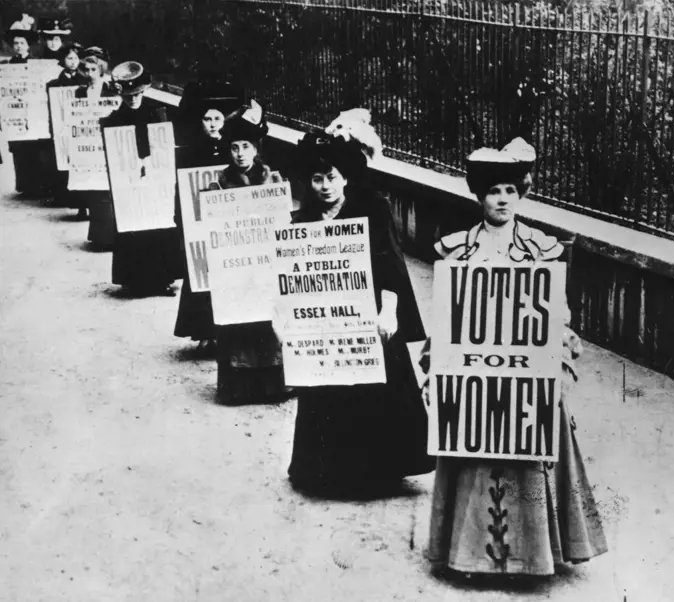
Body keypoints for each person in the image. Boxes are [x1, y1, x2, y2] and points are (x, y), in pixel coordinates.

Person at [421, 138, 607, 578]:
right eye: (492, 191)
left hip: (527, 376)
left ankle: (535, 555)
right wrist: (435, 368)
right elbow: (447, 318)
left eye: (509, 190)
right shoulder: (456, 249)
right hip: (475, 376)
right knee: (471, 447)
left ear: (522, 192)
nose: (501, 199)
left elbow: (557, 318)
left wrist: (561, 360)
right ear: (479, 196)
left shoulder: (542, 250)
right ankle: (467, 557)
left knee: (531, 447)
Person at [286, 124, 435, 492]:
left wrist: (388, 312)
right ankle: (329, 469)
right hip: (327, 322)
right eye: (317, 178)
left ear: (346, 177)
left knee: (379, 388)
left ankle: (381, 468)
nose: (324, 185)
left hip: (369, 315)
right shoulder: (302, 220)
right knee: (329, 389)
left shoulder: (373, 209)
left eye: (331, 177)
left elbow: (391, 265)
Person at [211, 101, 291, 404]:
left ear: (256, 148)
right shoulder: (219, 183)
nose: (240, 153)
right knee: (239, 325)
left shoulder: (272, 180)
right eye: (234, 147)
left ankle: (274, 386)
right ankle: (238, 387)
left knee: (268, 322)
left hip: (266, 265)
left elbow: (283, 221)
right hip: (236, 267)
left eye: (246, 146)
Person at [173, 80, 246, 353]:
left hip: (227, 220)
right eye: (208, 119)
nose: (213, 123)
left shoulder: (233, 150)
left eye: (217, 118)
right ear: (200, 121)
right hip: (200, 220)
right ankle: (204, 332)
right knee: (201, 271)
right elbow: (183, 186)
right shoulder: (191, 151)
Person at [101, 61, 181, 296]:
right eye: (127, 95)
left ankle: (162, 279)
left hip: (156, 178)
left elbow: (166, 146)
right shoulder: (114, 119)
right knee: (133, 225)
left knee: (159, 224)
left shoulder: (158, 114)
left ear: (144, 91)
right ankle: (135, 280)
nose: (132, 99)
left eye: (136, 94)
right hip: (130, 181)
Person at [73, 47, 117, 228]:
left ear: (101, 70)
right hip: (88, 139)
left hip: (105, 138)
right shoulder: (80, 92)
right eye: (87, 70)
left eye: (94, 70)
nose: (90, 73)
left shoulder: (110, 89)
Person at [46, 42, 87, 208]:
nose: (73, 62)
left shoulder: (84, 81)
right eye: (69, 58)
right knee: (64, 159)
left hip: (80, 125)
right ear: (63, 60)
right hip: (63, 125)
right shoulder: (54, 84)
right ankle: (64, 196)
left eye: (76, 58)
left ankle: (82, 204)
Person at [4, 19, 40, 195]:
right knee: (18, 147)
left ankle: (36, 184)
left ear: (28, 46)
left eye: (22, 43)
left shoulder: (35, 63)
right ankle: (24, 184)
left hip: (31, 109)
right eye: (16, 43)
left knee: (32, 146)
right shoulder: (8, 66)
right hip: (15, 110)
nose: (18, 46)